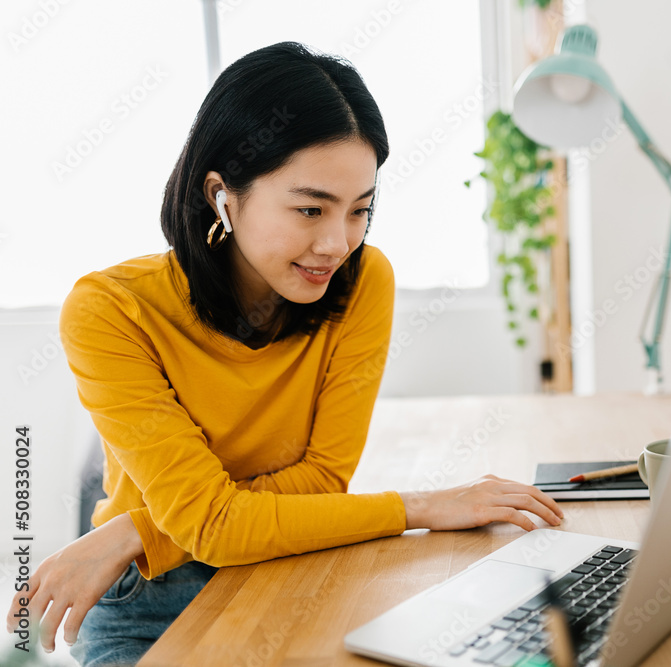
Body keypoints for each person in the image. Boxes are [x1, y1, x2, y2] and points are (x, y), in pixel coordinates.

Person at [5, 41, 563, 666]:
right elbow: (213, 525)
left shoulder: (362, 281)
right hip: (146, 600)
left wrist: (138, 531)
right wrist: (423, 506)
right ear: (222, 194)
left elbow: (323, 480)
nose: (337, 243)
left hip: (292, 561)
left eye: (360, 211)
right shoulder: (111, 310)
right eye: (309, 208)